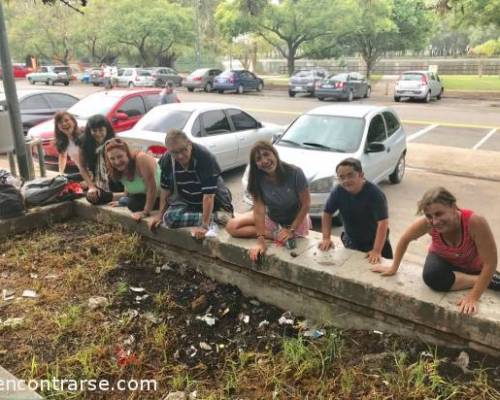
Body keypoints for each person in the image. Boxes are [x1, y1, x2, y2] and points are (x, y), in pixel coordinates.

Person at [371, 187, 499, 315]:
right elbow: (405, 239)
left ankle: (488, 279)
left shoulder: (474, 222)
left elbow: (490, 263)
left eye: (439, 214)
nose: (435, 221)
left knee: (486, 272)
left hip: (471, 265)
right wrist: (393, 267)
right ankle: (482, 280)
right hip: (442, 258)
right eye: (429, 216)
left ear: (453, 207)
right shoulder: (427, 224)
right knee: (431, 277)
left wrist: (473, 297)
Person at [225, 141, 311, 262]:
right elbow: (259, 211)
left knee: (288, 239)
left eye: (266, 154)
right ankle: (275, 234)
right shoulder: (257, 179)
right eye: (259, 159)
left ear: (274, 154)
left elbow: (306, 204)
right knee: (231, 226)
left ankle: (282, 233)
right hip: (272, 218)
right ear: (256, 165)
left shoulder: (295, 173)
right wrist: (261, 241)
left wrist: (291, 230)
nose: (264, 160)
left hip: (295, 222)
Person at [149, 128, 233, 239]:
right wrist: (160, 215)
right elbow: (165, 189)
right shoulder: (167, 160)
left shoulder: (204, 157)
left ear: (189, 144)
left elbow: (209, 196)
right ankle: (217, 218)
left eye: (183, 150)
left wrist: (204, 226)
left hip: (214, 201)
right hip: (187, 202)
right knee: (169, 219)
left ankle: (218, 216)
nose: (180, 156)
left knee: (210, 208)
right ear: (168, 150)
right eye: (174, 152)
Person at [318, 158, 392, 264]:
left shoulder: (375, 194)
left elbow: (383, 223)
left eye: (350, 175)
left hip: (375, 242)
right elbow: (327, 213)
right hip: (351, 241)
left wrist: (376, 250)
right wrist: (326, 237)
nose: (346, 181)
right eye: (341, 177)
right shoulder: (338, 191)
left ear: (361, 175)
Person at [104, 138, 161, 222]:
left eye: (120, 156)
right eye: (112, 159)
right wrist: (122, 200)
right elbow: (128, 185)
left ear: (127, 154)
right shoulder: (116, 168)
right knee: (128, 201)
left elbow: (152, 188)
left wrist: (145, 212)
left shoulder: (141, 159)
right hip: (141, 195)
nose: (117, 161)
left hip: (162, 196)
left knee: (133, 205)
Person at [78, 115, 124, 205]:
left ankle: (124, 195)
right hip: (98, 181)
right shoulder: (84, 142)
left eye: (101, 130)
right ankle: (119, 196)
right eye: (94, 131)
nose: (98, 134)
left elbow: (124, 165)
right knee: (92, 198)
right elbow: (82, 167)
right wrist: (91, 186)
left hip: (117, 179)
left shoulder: (115, 141)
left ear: (107, 129)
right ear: (89, 130)